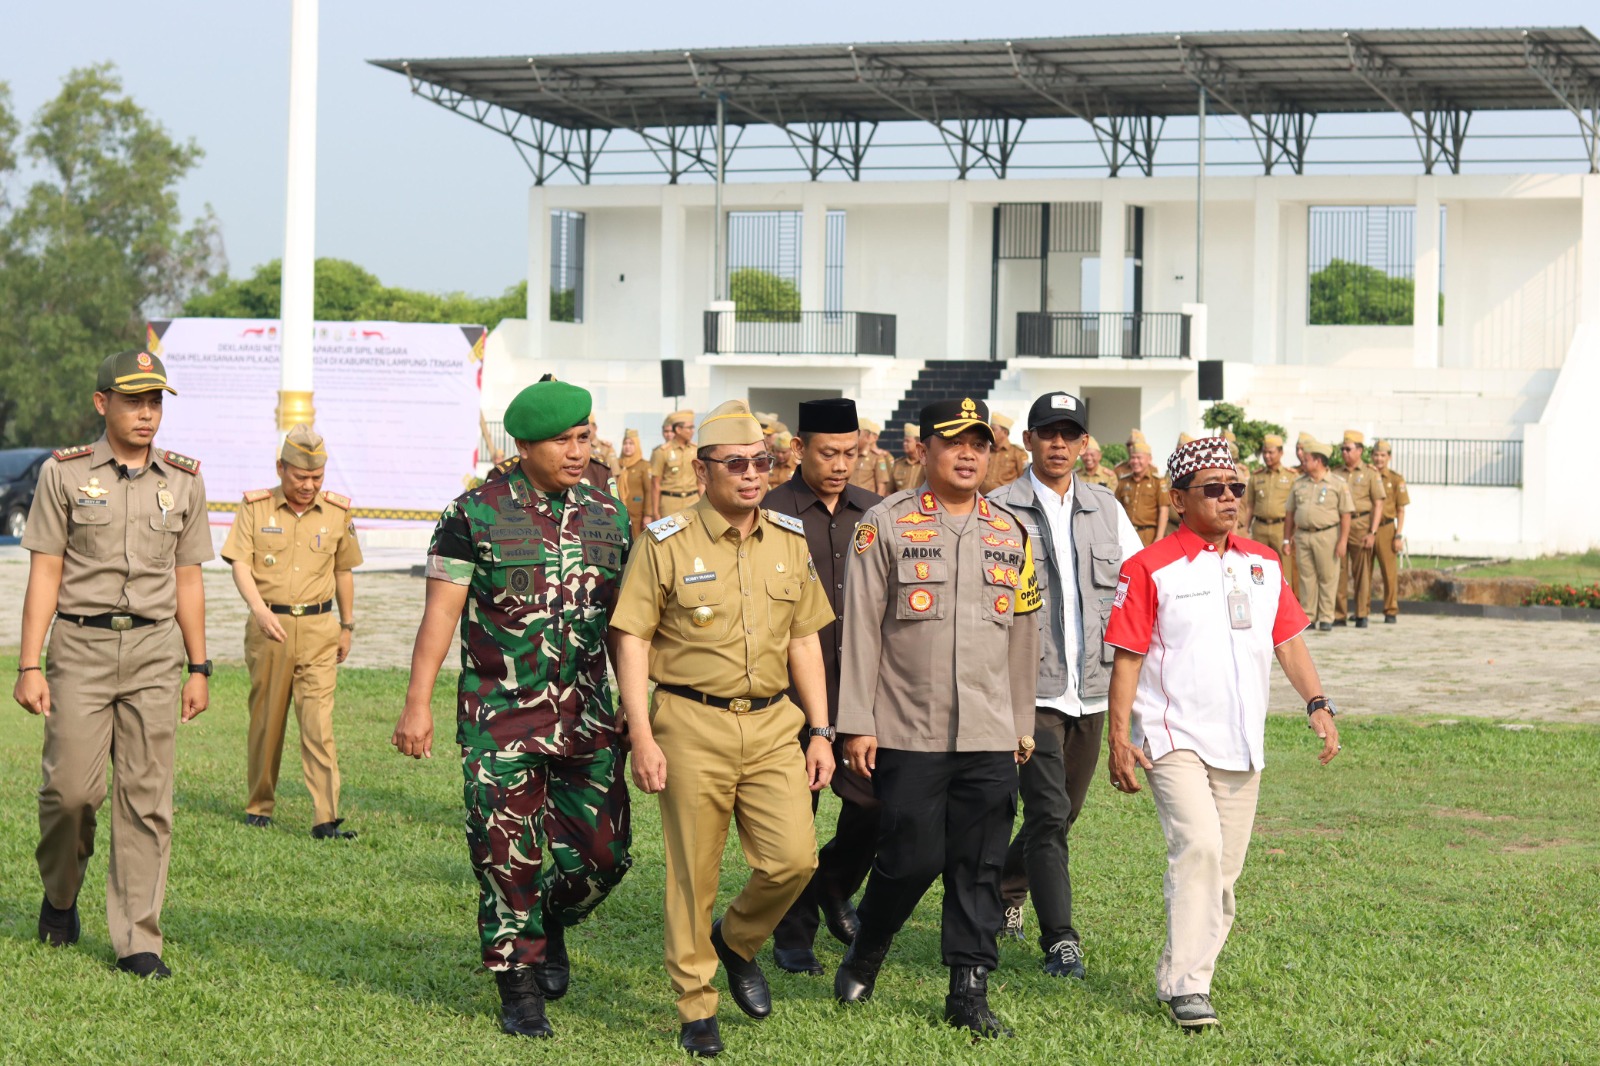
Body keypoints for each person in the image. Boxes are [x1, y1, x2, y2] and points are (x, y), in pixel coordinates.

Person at [391, 380, 634, 1039]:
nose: (577, 452)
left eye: (583, 437)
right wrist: (417, 705)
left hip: (589, 718)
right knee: (506, 860)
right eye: (561, 441)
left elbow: (623, 624)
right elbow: (439, 617)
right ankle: (518, 985)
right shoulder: (474, 514)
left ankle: (550, 919)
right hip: (500, 719)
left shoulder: (610, 515)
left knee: (605, 859)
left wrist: (635, 703)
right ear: (523, 446)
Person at [610, 399, 835, 1059]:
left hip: (772, 726)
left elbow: (804, 640)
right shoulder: (665, 542)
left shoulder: (788, 540)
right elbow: (632, 639)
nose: (751, 474)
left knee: (795, 860)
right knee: (693, 874)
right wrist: (642, 735)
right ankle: (696, 1005)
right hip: (689, 723)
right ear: (702, 469)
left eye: (761, 462)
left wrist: (822, 730)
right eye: (735, 464)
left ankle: (735, 942)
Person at [1104, 435, 1342, 1028]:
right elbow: (1127, 658)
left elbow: (1288, 641)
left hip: (1241, 741)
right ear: (1179, 498)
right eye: (1214, 488)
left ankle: (1183, 974)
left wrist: (1317, 702)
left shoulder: (1262, 563)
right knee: (1200, 849)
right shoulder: (1148, 567)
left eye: (1236, 486)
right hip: (1172, 736)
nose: (1230, 496)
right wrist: (1118, 738)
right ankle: (1188, 987)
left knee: (1223, 873)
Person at [832, 396, 1041, 1039]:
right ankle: (869, 944)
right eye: (955, 443)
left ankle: (968, 989)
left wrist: (1022, 721)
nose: (968, 455)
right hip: (908, 725)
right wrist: (857, 721)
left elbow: (1024, 635)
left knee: (980, 863)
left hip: (989, 727)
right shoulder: (885, 524)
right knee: (911, 856)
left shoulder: (1011, 532)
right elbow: (860, 629)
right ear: (924, 450)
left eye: (979, 444)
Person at [14, 349, 211, 979]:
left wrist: (200, 666)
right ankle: (60, 896)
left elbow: (188, 579)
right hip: (80, 649)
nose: (147, 413)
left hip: (155, 652)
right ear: (103, 403)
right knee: (70, 792)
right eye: (134, 401)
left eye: (155, 402)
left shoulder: (184, 480)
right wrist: (29, 665)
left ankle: (137, 939)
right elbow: (46, 572)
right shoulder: (64, 474)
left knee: (147, 799)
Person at [990, 392, 1144, 977]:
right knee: (1050, 812)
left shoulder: (1108, 508)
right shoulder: (998, 510)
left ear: (1083, 444)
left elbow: (1136, 592)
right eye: (1047, 433)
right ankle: (1060, 940)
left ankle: (1005, 887)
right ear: (1027, 440)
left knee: (1062, 812)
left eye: (1069, 434)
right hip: (1029, 688)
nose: (1058, 444)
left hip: (1093, 687)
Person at [763, 398, 882, 976]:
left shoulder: (877, 512)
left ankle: (833, 885)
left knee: (878, 807)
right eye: (828, 453)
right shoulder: (768, 511)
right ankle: (793, 936)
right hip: (789, 692)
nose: (840, 465)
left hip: (863, 691)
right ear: (798, 450)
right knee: (796, 819)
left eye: (850, 454)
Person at [221, 424, 362, 839]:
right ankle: (259, 805)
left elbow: (343, 570)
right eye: (300, 476)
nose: (309, 485)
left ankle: (325, 818)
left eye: (317, 477)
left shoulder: (337, 511)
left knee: (318, 724)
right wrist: (258, 609)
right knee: (267, 721)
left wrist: (347, 626)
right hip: (270, 629)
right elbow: (240, 563)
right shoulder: (255, 508)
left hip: (320, 630)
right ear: (280, 468)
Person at [1283, 440, 1353, 632]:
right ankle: (1309, 616)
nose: (1303, 462)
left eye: (1307, 459)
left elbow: (1346, 515)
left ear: (1318, 461)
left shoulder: (1337, 484)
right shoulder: (1299, 483)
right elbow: (1290, 513)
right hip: (1303, 535)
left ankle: (1326, 617)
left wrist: (1343, 541)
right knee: (1306, 578)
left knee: (1328, 577)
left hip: (1327, 535)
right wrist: (1287, 539)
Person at [1332, 431, 1385, 628]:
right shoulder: (1335, 473)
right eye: (1342, 449)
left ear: (1360, 450)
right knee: (1339, 571)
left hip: (1361, 525)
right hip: (1339, 526)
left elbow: (1378, 504)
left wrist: (1373, 532)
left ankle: (1362, 613)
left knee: (1362, 573)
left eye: (1348, 449)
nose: (1344, 453)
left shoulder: (1370, 473)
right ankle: (1339, 614)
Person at [1371, 440, 1411, 623]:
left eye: (1383, 455)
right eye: (1376, 455)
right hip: (1366, 527)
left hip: (1386, 528)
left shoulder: (1395, 479)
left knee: (1389, 572)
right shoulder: (1367, 475)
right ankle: (1362, 610)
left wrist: (1398, 535)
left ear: (1389, 457)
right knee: (1363, 572)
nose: (1379, 459)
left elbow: (1401, 510)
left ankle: (1390, 609)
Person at [1248, 434, 1296, 585]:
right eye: (1264, 452)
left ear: (1281, 453)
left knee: (1284, 571)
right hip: (1259, 528)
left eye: (1271, 452)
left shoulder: (1291, 476)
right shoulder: (1256, 476)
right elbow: (1250, 505)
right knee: (1258, 570)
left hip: (1281, 529)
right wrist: (1246, 528)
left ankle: (1285, 599)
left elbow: (1296, 508)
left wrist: (1293, 533)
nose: (1267, 456)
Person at [1116, 442, 1169, 547]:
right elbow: (1116, 508)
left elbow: (1164, 510)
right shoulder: (1123, 481)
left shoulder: (1158, 481)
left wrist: (1159, 537)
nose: (1135, 461)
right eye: (1133, 458)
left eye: (1139, 458)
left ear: (1149, 459)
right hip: (1126, 535)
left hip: (1148, 536)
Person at [650, 410, 698, 519]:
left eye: (693, 427)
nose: (692, 431)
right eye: (689, 428)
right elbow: (655, 484)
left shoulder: (696, 450)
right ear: (678, 429)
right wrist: (655, 512)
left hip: (693, 502)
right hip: (670, 504)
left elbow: (701, 482)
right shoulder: (662, 452)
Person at [978, 413, 1029, 494]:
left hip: (1005, 499)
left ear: (1005, 432)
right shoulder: (985, 451)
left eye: (993, 429)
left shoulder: (1017, 453)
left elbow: (1024, 479)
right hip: (983, 498)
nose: (990, 432)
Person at [616, 429, 653, 538]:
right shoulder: (616, 464)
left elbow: (649, 491)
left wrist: (648, 515)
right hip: (618, 513)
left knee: (636, 543)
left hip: (637, 516)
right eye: (625, 443)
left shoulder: (644, 465)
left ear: (637, 445)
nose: (627, 446)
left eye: (631, 443)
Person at [849, 419, 892, 495]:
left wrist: (877, 503)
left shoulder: (876, 457)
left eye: (858, 435)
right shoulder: (849, 455)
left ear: (867, 437)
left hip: (866, 501)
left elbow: (881, 488)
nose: (854, 438)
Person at [890, 423, 924, 493]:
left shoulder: (926, 464)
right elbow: (889, 491)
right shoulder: (898, 464)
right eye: (904, 441)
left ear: (917, 443)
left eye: (908, 441)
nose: (904, 444)